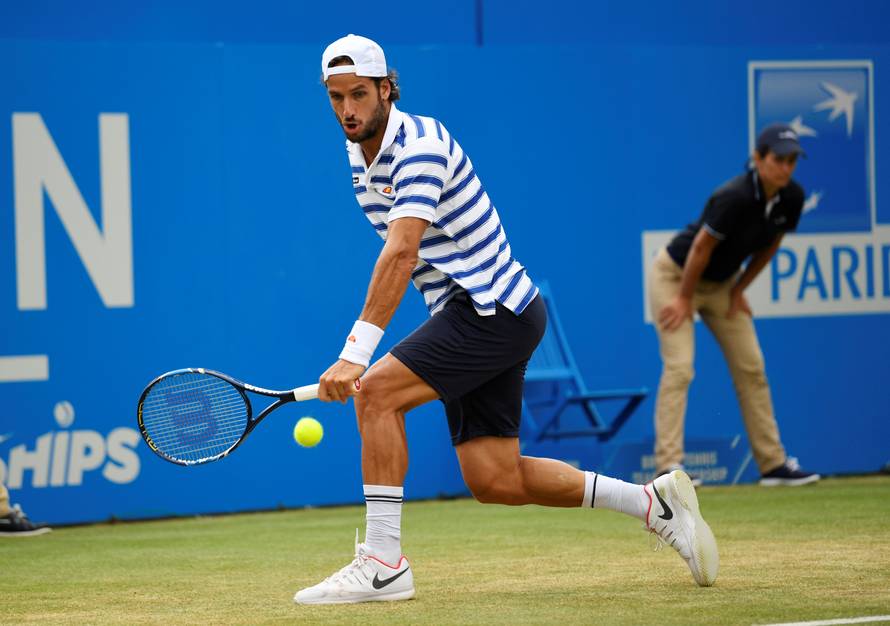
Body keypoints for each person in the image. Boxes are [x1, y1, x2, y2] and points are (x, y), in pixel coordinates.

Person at [294, 34, 719, 605]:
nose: (348, 110)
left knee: (374, 395)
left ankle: (383, 563)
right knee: (496, 479)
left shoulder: (419, 145)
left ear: (387, 90)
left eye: (360, 95)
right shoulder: (358, 156)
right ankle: (653, 504)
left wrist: (355, 352)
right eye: (337, 97)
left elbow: (400, 252)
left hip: (490, 309)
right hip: (481, 313)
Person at [649, 123, 820, 488]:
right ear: (758, 159)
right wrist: (683, 299)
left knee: (752, 366)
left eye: (792, 160)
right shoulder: (733, 196)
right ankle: (668, 468)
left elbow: (770, 245)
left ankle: (773, 465)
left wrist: (740, 288)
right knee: (680, 368)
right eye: (779, 159)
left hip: (723, 284)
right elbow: (700, 248)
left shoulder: (792, 197)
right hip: (676, 277)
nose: (786, 167)